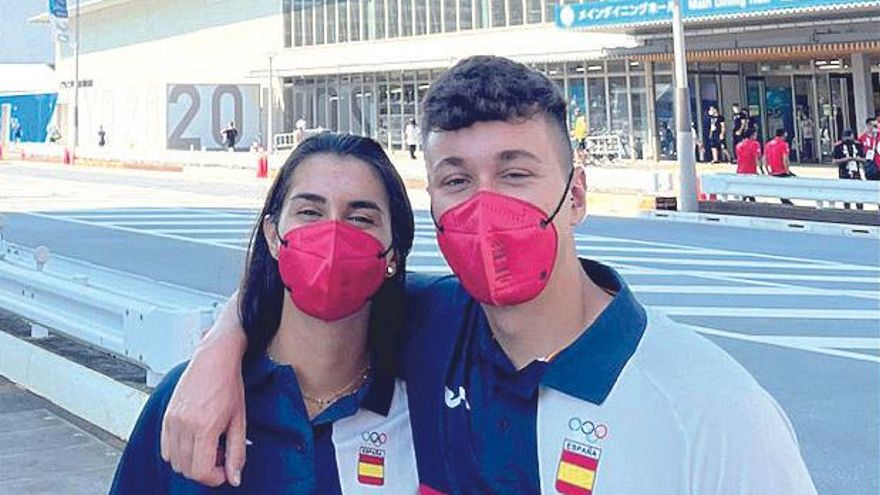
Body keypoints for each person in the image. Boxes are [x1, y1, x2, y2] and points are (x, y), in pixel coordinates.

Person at [160, 56, 817, 495]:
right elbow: (311, 291)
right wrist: (222, 345)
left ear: (577, 194)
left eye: (515, 172)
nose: (484, 205)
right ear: (434, 206)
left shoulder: (710, 409)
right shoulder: (432, 329)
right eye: (456, 180)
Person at [110, 133, 419, 493]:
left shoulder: (423, 412)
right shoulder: (192, 400)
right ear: (273, 236)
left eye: (361, 218)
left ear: (394, 253)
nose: (333, 234)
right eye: (309, 212)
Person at [832, 129, 865, 210]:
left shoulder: (857, 145)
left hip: (856, 172)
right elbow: (834, 161)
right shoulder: (838, 146)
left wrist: (858, 159)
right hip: (844, 172)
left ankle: (860, 209)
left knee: (858, 193)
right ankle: (847, 210)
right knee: (846, 194)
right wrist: (845, 159)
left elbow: (864, 159)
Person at [764, 128, 795, 205]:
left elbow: (765, 158)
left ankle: (784, 199)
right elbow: (785, 159)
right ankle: (785, 200)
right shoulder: (784, 144)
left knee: (780, 187)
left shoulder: (768, 144)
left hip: (773, 171)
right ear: (783, 134)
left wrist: (767, 170)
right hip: (782, 171)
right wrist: (787, 170)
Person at [735, 128, 763, 202]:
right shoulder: (755, 144)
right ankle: (751, 200)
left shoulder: (739, 145)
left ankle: (745, 199)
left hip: (740, 171)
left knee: (744, 188)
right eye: (755, 134)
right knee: (751, 189)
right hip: (751, 171)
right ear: (752, 135)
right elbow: (757, 158)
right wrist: (761, 169)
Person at [858, 116, 880, 181]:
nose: (875, 127)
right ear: (868, 125)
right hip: (870, 166)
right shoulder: (862, 138)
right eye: (873, 125)